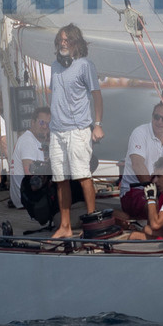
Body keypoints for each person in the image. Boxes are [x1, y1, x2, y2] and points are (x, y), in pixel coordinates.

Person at [48, 24, 104, 239]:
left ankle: (91, 223)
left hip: (78, 129)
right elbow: (52, 94)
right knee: (60, 179)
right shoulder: (54, 66)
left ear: (76, 43)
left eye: (68, 40)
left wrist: (97, 124)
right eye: (61, 40)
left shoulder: (85, 66)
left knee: (82, 176)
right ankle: (65, 226)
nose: (64, 43)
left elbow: (97, 95)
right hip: (56, 130)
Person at [116, 102, 163, 224]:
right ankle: (150, 227)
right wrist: (155, 193)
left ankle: (134, 220)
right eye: (156, 117)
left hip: (160, 189)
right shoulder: (140, 132)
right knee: (158, 207)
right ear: (152, 116)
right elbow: (137, 164)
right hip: (134, 190)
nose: (159, 121)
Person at [130, 156, 163, 241]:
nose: (154, 181)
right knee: (146, 229)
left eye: (159, 176)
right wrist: (154, 201)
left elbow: (155, 224)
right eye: (154, 177)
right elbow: (159, 227)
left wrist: (151, 199)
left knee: (134, 236)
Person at [9, 108, 50, 211]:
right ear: (33, 122)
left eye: (48, 124)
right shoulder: (28, 141)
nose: (45, 127)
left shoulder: (31, 139)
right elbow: (31, 177)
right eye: (41, 122)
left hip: (21, 197)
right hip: (26, 199)